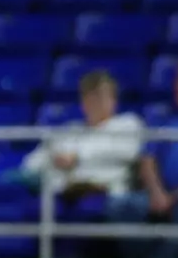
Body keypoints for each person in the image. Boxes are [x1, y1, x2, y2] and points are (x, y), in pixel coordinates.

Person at [112, 56, 178, 258]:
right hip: (160, 194)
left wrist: (177, 195)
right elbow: (147, 159)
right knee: (119, 204)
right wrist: (157, 192)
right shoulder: (164, 120)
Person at [19, 70, 146, 202]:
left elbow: (130, 153)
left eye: (101, 96)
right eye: (90, 97)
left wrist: (77, 157)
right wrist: (52, 160)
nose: (95, 103)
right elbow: (35, 160)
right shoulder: (72, 130)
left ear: (114, 100)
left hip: (108, 194)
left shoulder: (128, 124)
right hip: (66, 194)